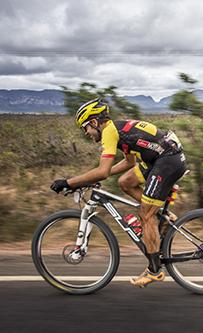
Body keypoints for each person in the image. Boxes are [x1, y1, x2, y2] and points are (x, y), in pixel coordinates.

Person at [50, 98, 187, 287]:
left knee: (145, 215)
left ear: (94, 122)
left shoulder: (109, 132)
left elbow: (103, 171)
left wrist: (69, 182)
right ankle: (161, 214)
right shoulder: (117, 129)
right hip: (159, 158)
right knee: (125, 182)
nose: (86, 133)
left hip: (167, 160)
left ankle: (154, 271)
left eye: (85, 128)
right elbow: (129, 163)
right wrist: (96, 176)